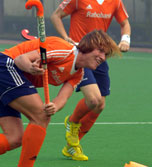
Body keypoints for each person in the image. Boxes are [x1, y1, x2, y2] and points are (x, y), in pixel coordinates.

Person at [0, 30, 120, 167]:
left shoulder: (79, 73)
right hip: (2, 67)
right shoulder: (64, 50)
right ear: (88, 46)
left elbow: (62, 98)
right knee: (41, 116)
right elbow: (21, 59)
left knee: (15, 138)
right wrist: (31, 67)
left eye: (106, 55)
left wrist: (55, 107)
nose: (103, 58)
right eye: (101, 51)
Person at [51, 0, 131, 161]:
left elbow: (125, 23)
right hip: (81, 55)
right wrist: (66, 37)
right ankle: (72, 123)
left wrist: (125, 40)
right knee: (93, 99)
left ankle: (71, 147)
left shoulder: (115, 2)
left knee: (100, 105)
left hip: (100, 56)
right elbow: (56, 16)